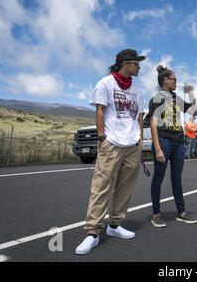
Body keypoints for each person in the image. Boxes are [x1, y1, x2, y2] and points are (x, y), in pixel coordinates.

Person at [75, 49, 146, 255]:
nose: (139, 67)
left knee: (125, 187)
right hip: (112, 142)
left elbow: (140, 115)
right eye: (136, 63)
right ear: (125, 63)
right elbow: (100, 110)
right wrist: (101, 138)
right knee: (102, 186)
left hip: (132, 144)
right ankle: (92, 233)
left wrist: (140, 139)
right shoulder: (106, 83)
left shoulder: (138, 89)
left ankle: (114, 225)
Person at [148, 65, 197, 228]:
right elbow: (153, 124)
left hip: (178, 142)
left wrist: (190, 93)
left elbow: (193, 112)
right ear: (165, 80)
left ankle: (181, 213)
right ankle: (156, 214)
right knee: (158, 178)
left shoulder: (177, 98)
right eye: (174, 79)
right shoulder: (157, 98)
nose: (176, 82)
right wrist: (158, 148)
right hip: (163, 141)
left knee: (176, 178)